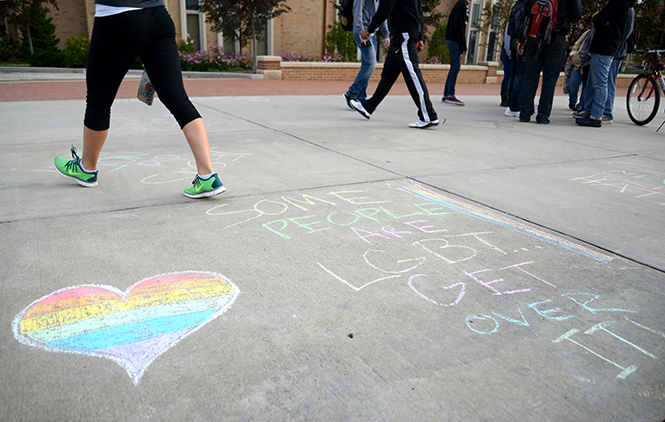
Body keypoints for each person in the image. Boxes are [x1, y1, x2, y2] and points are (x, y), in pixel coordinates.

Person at [54, 2, 225, 199]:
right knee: (178, 99)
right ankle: (207, 175)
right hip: (158, 17)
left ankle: (87, 168)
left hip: (116, 16)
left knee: (98, 100)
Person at [349, 0, 440, 129]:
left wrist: (368, 30)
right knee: (388, 74)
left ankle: (428, 116)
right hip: (403, 34)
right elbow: (419, 10)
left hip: (404, 34)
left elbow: (384, 10)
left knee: (412, 75)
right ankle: (368, 107)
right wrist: (419, 36)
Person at [518, 0, 582, 124]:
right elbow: (576, 13)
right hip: (556, 37)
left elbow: (525, 12)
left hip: (534, 37)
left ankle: (524, 114)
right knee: (549, 80)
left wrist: (522, 38)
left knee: (530, 77)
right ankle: (542, 116)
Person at [577, 0, 635, 127]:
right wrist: (601, 20)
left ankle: (596, 116)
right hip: (606, 47)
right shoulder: (623, 5)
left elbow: (598, 20)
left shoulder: (619, 3)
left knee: (600, 83)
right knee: (599, 82)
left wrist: (601, 18)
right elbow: (600, 20)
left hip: (606, 47)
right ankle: (594, 113)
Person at [343, 0, 390, 109]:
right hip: (362, 33)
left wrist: (386, 34)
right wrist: (360, 31)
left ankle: (361, 97)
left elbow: (381, 14)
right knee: (370, 64)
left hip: (372, 33)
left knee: (367, 65)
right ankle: (351, 94)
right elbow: (357, 11)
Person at [443, 0, 468, 106]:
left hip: (453, 39)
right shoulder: (462, 5)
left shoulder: (462, 5)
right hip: (454, 40)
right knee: (456, 66)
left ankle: (446, 94)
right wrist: (463, 47)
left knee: (454, 66)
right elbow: (459, 27)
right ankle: (450, 94)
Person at [500, 25, 513, 107]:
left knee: (509, 76)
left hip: (508, 51)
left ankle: (508, 96)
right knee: (508, 76)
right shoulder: (511, 23)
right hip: (508, 52)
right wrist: (509, 53)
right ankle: (505, 97)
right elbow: (507, 40)